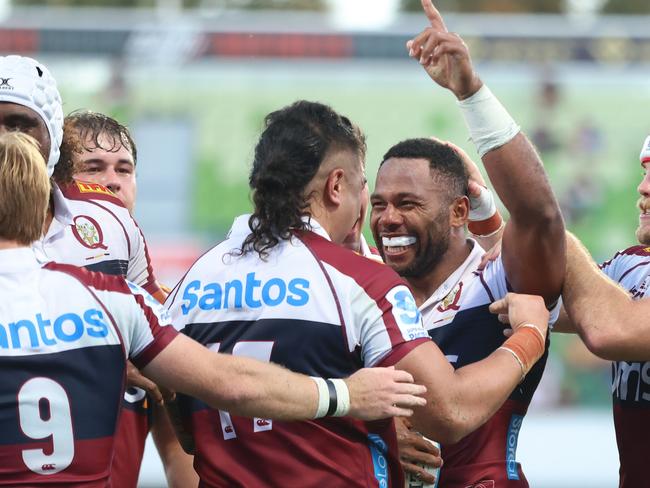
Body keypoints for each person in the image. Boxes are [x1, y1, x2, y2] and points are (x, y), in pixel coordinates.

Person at [0, 131, 427, 486]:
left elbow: (188, 425)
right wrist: (346, 395)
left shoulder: (167, 289)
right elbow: (228, 384)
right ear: (47, 202)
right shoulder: (114, 301)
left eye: (123, 169)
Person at [165, 98, 552, 487]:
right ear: (336, 186)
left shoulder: (191, 281)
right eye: (362, 187)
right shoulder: (361, 282)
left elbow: (183, 426)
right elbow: (449, 412)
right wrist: (529, 338)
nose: (372, 212)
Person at [369, 1, 565, 485]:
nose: (388, 219)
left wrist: (469, 91)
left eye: (407, 204)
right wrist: (370, 421)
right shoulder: (358, 288)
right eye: (379, 203)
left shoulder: (499, 279)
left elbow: (539, 214)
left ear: (460, 212)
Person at [60, 110, 197, 487]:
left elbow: (179, 452)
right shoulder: (23, 283)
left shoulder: (159, 308)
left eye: (123, 169)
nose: (112, 182)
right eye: (93, 167)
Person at [520, 134, 650, 488]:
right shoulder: (631, 266)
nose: (643, 188)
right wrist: (486, 220)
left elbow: (610, 330)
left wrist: (551, 226)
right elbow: (537, 297)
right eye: (643, 172)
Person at [0, 54, 164, 303]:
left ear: (53, 135)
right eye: (94, 168)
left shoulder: (110, 218)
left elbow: (156, 328)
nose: (5, 141)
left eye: (18, 126)